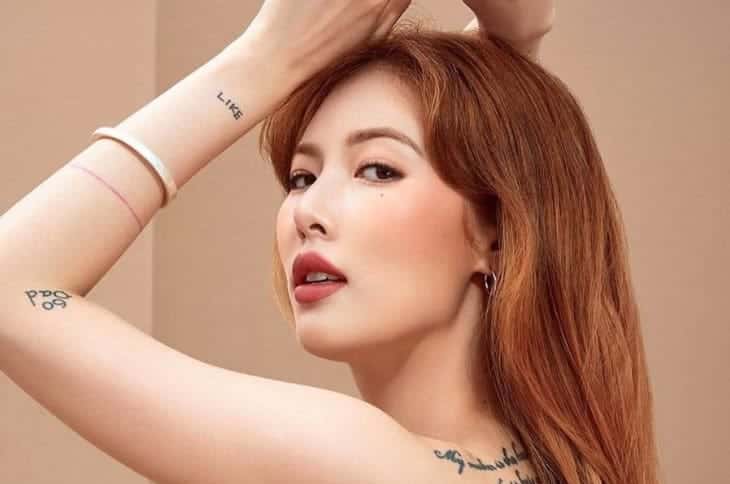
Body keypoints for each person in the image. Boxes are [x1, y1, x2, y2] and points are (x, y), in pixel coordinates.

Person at [0, 1, 660, 483]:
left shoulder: (355, 460)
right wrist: (515, 46)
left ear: (497, 233)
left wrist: (261, 63)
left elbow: (9, 287)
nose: (309, 212)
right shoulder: (563, 465)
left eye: (378, 169)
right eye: (301, 177)